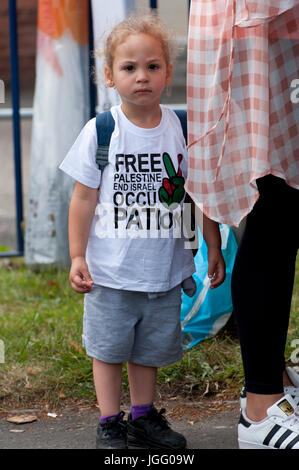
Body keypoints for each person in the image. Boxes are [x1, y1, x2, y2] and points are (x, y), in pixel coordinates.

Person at [59, 14, 225, 450]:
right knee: (109, 350)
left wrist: (213, 246)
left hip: (163, 272)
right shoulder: (102, 131)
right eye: (129, 68)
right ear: (110, 76)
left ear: (168, 72)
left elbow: (200, 194)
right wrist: (78, 256)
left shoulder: (181, 129)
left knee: (148, 351)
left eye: (152, 66)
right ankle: (109, 422)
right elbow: (82, 199)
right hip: (110, 273)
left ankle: (142, 417)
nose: (142, 76)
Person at [187, 0, 299, 450]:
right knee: (278, 200)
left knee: (285, 203)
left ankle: (275, 378)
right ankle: (261, 403)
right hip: (256, 19)